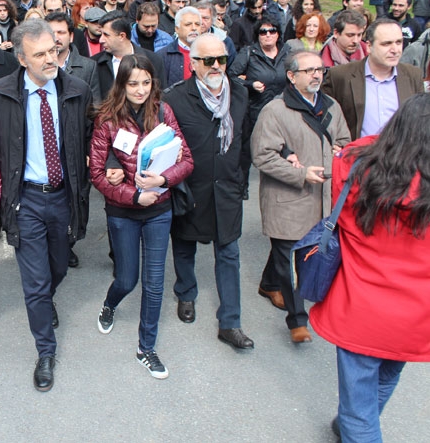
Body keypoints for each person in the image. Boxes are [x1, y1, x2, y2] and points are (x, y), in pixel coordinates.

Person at [310, 93, 430, 442]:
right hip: (417, 313)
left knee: (359, 410)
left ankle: (354, 423)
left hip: (361, 306)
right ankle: (351, 421)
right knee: (388, 374)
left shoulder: (358, 166)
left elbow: (340, 206)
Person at [0, 19, 92, 392]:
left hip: (63, 197)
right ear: (20, 58)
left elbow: (90, 135)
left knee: (58, 267)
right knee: (36, 282)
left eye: (54, 50)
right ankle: (45, 351)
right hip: (24, 199)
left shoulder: (76, 89)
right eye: (40, 54)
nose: (51, 59)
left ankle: (47, 299)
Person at [89, 54, 193, 379]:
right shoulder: (107, 119)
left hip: (160, 209)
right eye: (133, 83)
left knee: (154, 282)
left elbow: (186, 159)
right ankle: (110, 303)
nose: (140, 89)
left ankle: (145, 348)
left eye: (146, 82)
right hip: (123, 211)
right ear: (122, 84)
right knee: (127, 278)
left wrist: (162, 181)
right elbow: (96, 173)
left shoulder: (163, 111)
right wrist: (135, 194)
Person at [250, 51, 351, 342]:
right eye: (308, 71)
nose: (316, 75)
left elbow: (344, 141)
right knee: (291, 258)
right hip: (288, 198)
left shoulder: (331, 106)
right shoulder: (275, 111)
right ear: (292, 77)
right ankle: (297, 321)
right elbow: (262, 155)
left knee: (286, 253)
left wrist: (338, 152)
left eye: (320, 70)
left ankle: (268, 284)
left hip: (323, 199)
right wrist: (300, 173)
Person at [162, 34, 254, 350]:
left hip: (227, 189)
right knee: (185, 245)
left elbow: (244, 141)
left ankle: (230, 322)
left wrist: (239, 180)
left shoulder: (240, 93)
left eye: (222, 59)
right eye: (208, 60)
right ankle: (186, 292)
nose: (216, 66)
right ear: (193, 63)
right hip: (191, 188)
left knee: (229, 253)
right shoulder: (174, 98)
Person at [322, 19, 424, 140]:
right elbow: (324, 118)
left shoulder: (413, 75)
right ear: (369, 46)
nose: (395, 50)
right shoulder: (340, 76)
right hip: (357, 155)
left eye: (398, 42)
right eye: (386, 44)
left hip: (401, 155)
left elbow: (420, 120)